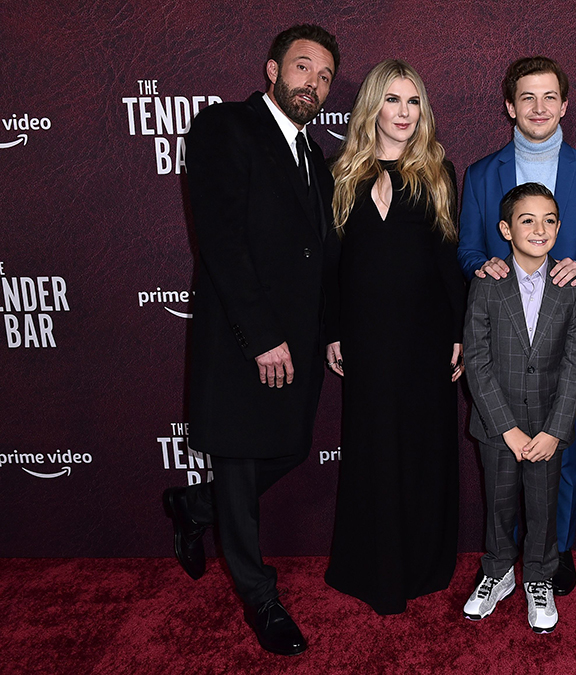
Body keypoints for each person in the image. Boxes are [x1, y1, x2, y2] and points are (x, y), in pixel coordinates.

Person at [162, 25, 339, 656]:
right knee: (238, 463)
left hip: (301, 343)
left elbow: (324, 258)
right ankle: (260, 597)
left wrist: (329, 333)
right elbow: (221, 240)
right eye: (303, 67)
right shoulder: (226, 126)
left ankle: (195, 508)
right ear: (272, 69)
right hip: (244, 340)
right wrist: (261, 336)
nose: (313, 83)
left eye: (324, 77)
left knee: (291, 448)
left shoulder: (317, 157)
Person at [457, 57, 576, 595]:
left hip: (559, 338)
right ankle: (504, 561)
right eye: (527, 96)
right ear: (510, 106)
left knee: (560, 454)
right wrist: (483, 265)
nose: (539, 107)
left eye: (550, 96)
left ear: (565, 104)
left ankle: (554, 552)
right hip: (502, 335)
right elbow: (467, 248)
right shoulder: (481, 174)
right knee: (501, 465)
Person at [322, 59, 466, 616]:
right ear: (372, 106)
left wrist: (457, 331)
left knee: (423, 448)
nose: (404, 113)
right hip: (365, 337)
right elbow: (332, 266)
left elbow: (447, 258)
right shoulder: (339, 173)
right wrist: (333, 330)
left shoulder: (437, 172)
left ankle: (422, 564)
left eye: (413, 102)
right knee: (371, 448)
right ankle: (371, 566)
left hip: (424, 336)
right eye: (392, 100)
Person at [463, 182, 576, 634]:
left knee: (543, 507)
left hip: (548, 428)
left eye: (549, 220)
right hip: (499, 426)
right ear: (506, 229)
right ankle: (498, 572)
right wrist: (507, 429)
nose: (540, 229)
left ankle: (539, 576)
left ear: (559, 226)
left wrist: (555, 430)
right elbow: (477, 361)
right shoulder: (487, 284)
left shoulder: (571, 286)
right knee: (499, 505)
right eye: (527, 220)